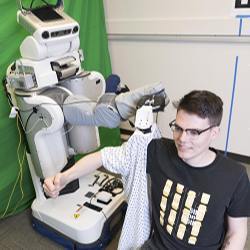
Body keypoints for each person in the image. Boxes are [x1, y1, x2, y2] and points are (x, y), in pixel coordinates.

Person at [141, 90, 250, 250]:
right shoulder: (159, 151)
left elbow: (237, 232)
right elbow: (111, 157)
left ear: (214, 133)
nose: (182, 139)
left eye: (194, 132)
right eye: (178, 128)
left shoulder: (235, 176)